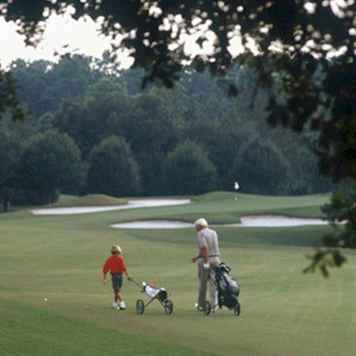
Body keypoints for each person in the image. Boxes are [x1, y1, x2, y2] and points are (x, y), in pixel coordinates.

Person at [192, 218, 221, 311]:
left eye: (196, 227)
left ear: (200, 226)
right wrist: (196, 257)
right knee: (213, 283)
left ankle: (202, 305)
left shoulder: (201, 233)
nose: (196, 229)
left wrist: (205, 262)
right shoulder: (213, 232)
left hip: (207, 260)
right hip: (216, 259)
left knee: (203, 284)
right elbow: (207, 249)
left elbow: (204, 249)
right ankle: (214, 305)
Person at [102, 245, 130, 310]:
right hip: (116, 276)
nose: (119, 254)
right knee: (117, 291)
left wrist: (127, 276)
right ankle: (122, 303)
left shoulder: (116, 259)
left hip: (119, 276)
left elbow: (123, 268)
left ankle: (115, 303)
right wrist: (104, 278)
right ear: (116, 252)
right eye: (118, 252)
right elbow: (105, 269)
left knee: (117, 291)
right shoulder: (116, 259)